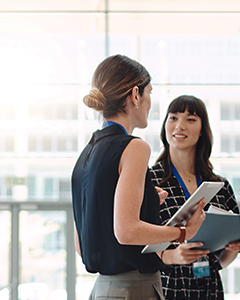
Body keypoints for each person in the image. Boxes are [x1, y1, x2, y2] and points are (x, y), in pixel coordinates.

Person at [72, 55, 206, 299]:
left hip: (103, 289)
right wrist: (184, 232)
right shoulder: (134, 146)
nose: (150, 103)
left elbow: (82, 246)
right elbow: (127, 231)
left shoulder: (87, 152)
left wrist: (144, 201)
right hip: (134, 289)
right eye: (150, 93)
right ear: (135, 95)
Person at [149, 95, 240, 300]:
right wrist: (172, 256)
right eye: (173, 118)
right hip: (165, 287)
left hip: (209, 288)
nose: (180, 126)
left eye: (190, 119)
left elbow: (221, 261)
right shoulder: (148, 181)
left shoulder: (219, 185)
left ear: (202, 130)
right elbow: (135, 241)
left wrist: (237, 245)